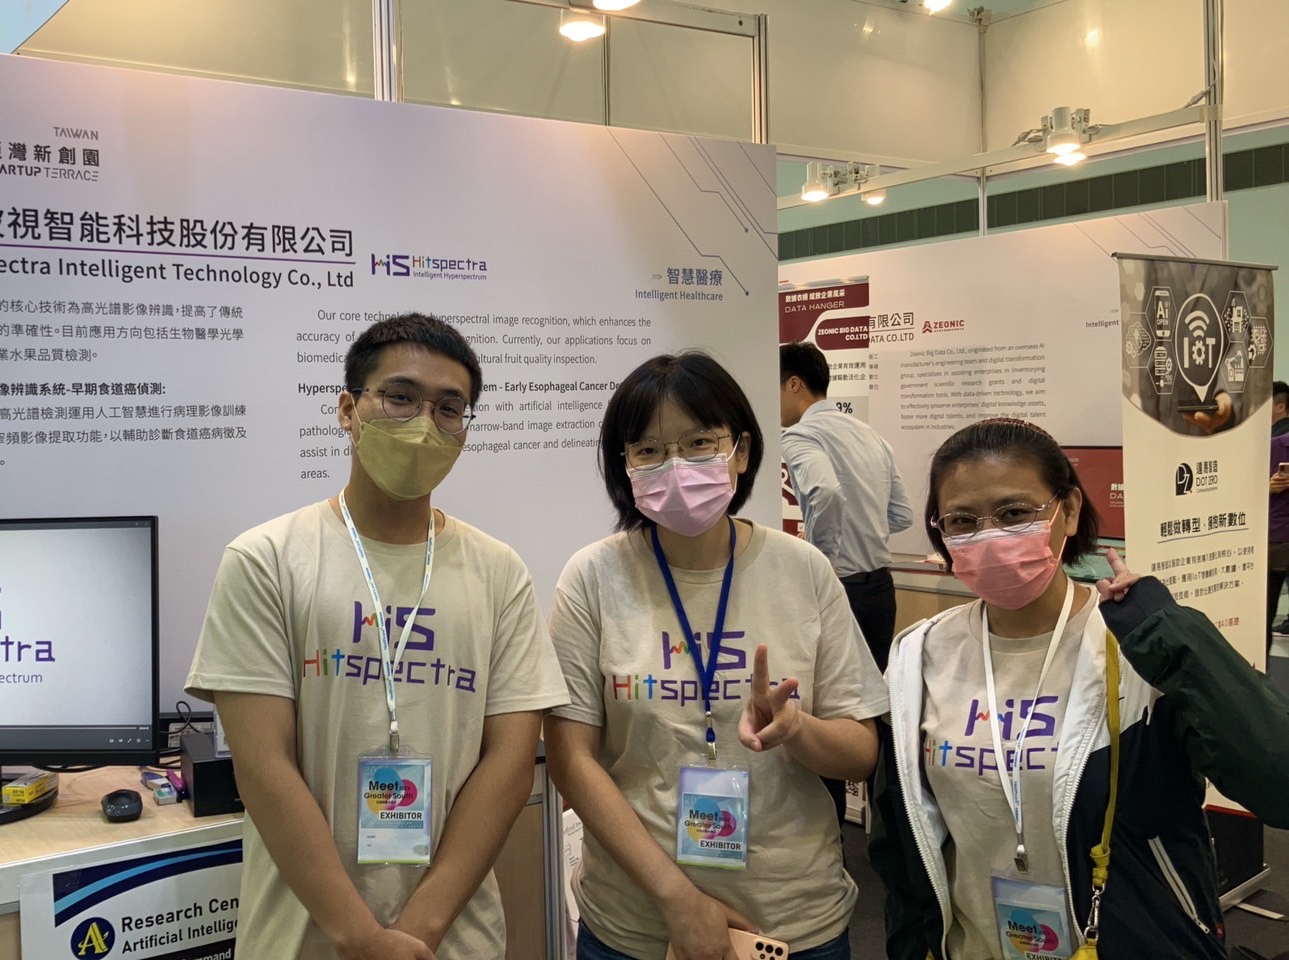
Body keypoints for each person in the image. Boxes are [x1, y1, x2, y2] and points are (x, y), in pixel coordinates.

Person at [184, 313, 569, 960]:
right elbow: (263, 765)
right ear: (347, 410)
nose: (424, 423)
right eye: (400, 397)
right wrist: (360, 938)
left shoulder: (498, 571)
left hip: (452, 942)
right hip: (301, 943)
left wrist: (416, 932)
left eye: (449, 408)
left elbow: (509, 761)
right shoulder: (267, 559)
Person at [869, 417, 1289, 960]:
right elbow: (901, 844)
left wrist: (1174, 636)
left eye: (1014, 513)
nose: (989, 536)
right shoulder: (919, 653)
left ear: (1067, 510)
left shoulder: (1138, 646)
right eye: (962, 521)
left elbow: (1278, 783)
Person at [546, 351, 888, 960]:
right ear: (625, 464)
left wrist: (797, 730)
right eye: (649, 450)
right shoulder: (593, 576)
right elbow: (573, 761)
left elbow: (861, 753)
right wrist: (679, 899)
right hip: (635, 921)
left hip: (791, 918)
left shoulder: (803, 570)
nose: (675, 466)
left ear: (743, 450)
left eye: (699, 442)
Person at [779, 341, 914, 671]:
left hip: (840, 588)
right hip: (881, 589)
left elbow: (826, 493)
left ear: (794, 384)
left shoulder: (800, 436)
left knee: (834, 690)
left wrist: (823, 555)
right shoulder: (870, 435)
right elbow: (902, 515)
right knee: (876, 688)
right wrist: (859, 527)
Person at [1267, 381, 1289, 644]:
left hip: (1276, 536)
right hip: (1276, 534)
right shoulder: (1273, 442)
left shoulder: (1275, 443)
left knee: (1266, 610)